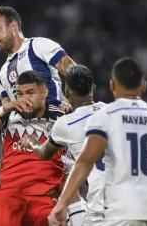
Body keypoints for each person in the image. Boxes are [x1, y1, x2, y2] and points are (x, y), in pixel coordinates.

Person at [51, 57, 147, 226]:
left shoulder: (106, 118)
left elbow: (85, 161)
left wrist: (62, 202)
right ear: (144, 85)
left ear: (112, 86)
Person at [0, 71, 65, 226]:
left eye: (30, 93)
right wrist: (4, 108)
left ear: (45, 92)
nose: (24, 99)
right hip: (9, 197)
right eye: (19, 94)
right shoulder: (9, 116)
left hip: (45, 198)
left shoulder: (61, 118)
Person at [18, 65, 106, 226]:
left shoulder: (65, 124)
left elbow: (43, 153)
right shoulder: (113, 112)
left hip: (102, 207)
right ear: (93, 88)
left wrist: (31, 141)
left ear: (65, 93)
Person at [0, 6, 76, 111]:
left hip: (55, 121)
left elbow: (74, 73)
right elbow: (7, 111)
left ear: (13, 26)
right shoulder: (0, 74)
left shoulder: (37, 45)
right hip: (23, 126)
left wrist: (76, 103)